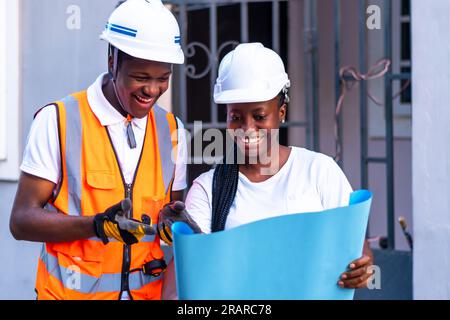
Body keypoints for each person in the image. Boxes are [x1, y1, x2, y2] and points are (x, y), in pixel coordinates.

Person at [9, 0, 190, 300]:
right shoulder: (59, 120)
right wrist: (96, 226)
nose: (153, 90)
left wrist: (172, 221)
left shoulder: (173, 131)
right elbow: (21, 221)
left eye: (163, 78)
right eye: (141, 77)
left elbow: (170, 216)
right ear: (112, 61)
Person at [182, 43, 374, 290]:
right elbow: (198, 277)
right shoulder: (208, 190)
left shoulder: (319, 172)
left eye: (259, 116)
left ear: (281, 112)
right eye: (236, 117)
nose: (248, 128)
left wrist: (362, 268)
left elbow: (357, 246)